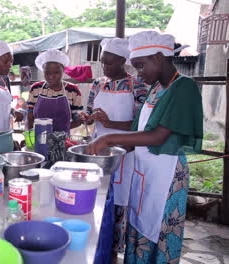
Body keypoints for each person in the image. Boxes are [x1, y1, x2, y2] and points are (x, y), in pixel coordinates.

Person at [87, 31, 203, 263]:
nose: (139, 73)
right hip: (145, 171)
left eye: (141, 66)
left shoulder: (183, 87)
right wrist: (113, 151)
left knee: (159, 228)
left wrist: (109, 140)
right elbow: (138, 127)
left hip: (166, 173)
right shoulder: (156, 88)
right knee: (140, 223)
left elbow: (158, 135)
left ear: (158, 58)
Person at [84, 38, 148, 263]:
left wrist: (110, 124)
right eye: (103, 63)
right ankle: (97, 240)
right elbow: (91, 111)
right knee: (97, 196)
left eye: (110, 63)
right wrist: (89, 117)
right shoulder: (97, 84)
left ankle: (114, 247)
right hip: (97, 151)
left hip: (124, 154)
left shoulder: (138, 86)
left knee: (119, 201)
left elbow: (142, 127)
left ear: (123, 61)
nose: (105, 68)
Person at [26, 49, 83, 134]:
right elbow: (30, 116)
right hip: (40, 137)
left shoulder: (73, 90)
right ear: (43, 72)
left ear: (63, 70)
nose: (51, 77)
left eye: (56, 73)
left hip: (62, 140)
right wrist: (30, 136)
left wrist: (63, 130)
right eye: (47, 73)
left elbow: (78, 118)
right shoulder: (35, 88)